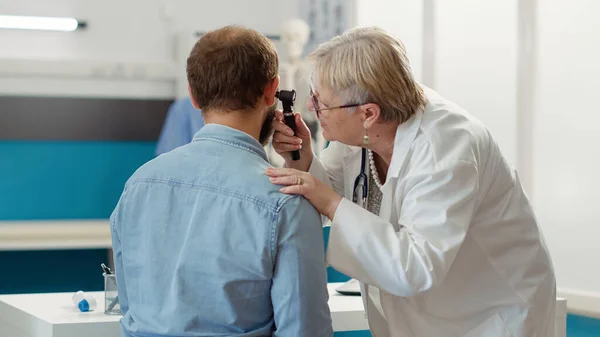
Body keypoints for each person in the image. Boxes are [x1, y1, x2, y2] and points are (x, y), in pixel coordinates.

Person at [266, 26, 557, 337]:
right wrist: (304, 157)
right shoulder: (364, 132)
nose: (311, 108)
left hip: (487, 313)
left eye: (320, 100)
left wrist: (330, 201)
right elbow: (332, 186)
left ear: (368, 113)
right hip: (427, 308)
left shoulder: (446, 147)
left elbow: (415, 267)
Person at [110, 25, 332, 337]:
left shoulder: (138, 185)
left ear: (193, 95)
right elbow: (305, 331)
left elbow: (130, 309)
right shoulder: (286, 202)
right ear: (272, 91)